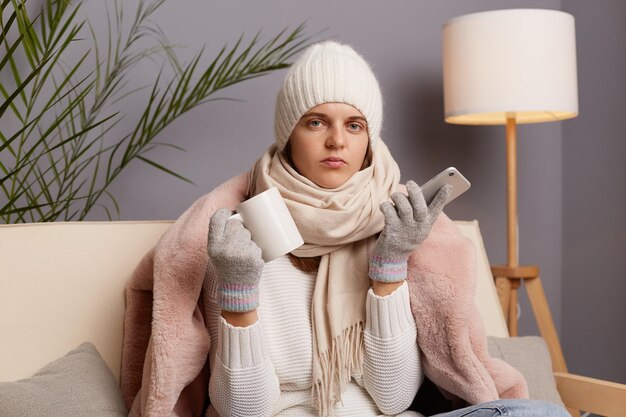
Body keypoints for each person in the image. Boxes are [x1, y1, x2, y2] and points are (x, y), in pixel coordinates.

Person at [204, 40, 570, 417]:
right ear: (288, 134)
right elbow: (242, 411)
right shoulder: (240, 239)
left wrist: (390, 266)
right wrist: (239, 293)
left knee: (538, 413)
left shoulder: (394, 222)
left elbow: (392, 397)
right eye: (316, 122)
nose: (337, 140)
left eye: (354, 125)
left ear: (369, 140)